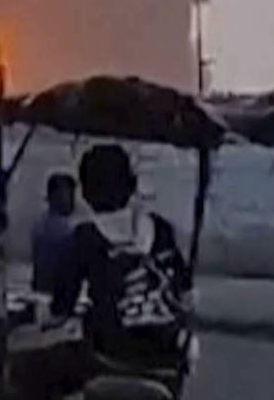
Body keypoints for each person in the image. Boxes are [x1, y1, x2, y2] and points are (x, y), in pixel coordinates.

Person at [44, 142, 193, 377]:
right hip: (169, 351)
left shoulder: (86, 237)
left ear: (86, 193)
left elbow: (61, 308)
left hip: (112, 353)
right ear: (131, 185)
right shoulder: (161, 228)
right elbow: (185, 295)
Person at [30, 171, 80, 288]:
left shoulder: (40, 222)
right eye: (68, 194)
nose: (73, 200)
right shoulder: (58, 227)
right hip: (55, 289)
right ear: (54, 196)